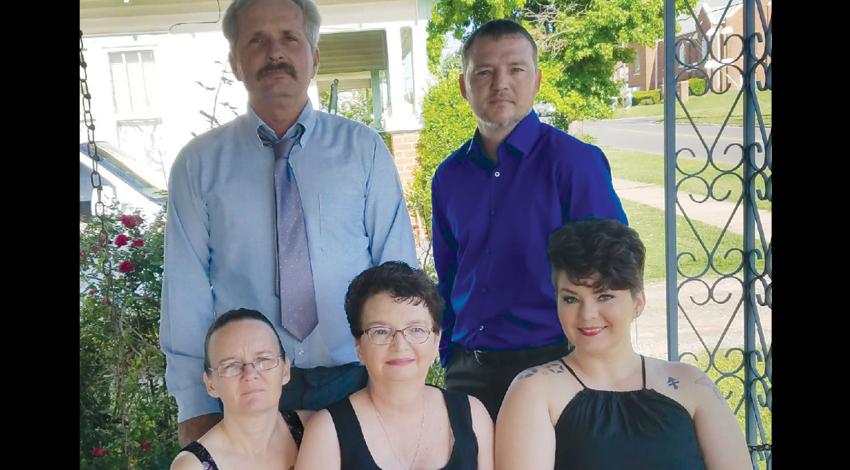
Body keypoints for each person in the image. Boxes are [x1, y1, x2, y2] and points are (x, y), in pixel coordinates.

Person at [160, 0, 418, 446]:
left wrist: (401, 383)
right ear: (235, 62)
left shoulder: (364, 150)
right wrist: (194, 406)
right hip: (248, 384)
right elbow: (185, 294)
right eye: (256, 40)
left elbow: (397, 277)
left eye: (289, 38)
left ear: (314, 57)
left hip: (356, 379)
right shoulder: (198, 165)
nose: (274, 52)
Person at [431, 18, 628, 420]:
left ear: (536, 81)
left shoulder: (575, 164)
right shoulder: (448, 177)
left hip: (555, 364)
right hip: (469, 372)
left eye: (515, 70)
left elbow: (615, 273)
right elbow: (449, 274)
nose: (500, 83)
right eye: (484, 72)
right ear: (464, 86)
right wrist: (449, 352)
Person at [495, 219, 752, 469]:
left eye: (604, 296)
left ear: (637, 302)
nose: (587, 314)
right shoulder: (534, 391)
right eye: (571, 299)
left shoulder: (692, 385)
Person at [296, 262, 494, 470]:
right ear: (358, 347)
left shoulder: (473, 416)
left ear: (436, 340)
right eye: (381, 331)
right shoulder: (327, 432)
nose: (400, 345)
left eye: (416, 329)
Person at [171, 309, 306, 470]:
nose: (250, 374)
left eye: (263, 359)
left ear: (285, 370)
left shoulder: (314, 431)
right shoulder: (192, 466)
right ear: (210, 384)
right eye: (231, 366)